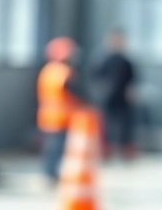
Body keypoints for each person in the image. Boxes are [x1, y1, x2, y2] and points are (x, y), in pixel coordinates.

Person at [37, 36, 86, 186]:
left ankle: (49, 172)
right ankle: (51, 174)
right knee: (56, 148)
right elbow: (74, 91)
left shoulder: (48, 70)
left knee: (51, 148)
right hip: (61, 117)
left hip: (47, 115)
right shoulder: (63, 72)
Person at [91, 28, 138, 161]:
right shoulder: (103, 59)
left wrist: (131, 92)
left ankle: (125, 151)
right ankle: (106, 151)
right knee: (106, 124)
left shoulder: (126, 61)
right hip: (108, 97)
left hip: (122, 97)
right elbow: (95, 76)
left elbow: (132, 79)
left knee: (125, 125)